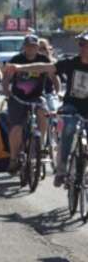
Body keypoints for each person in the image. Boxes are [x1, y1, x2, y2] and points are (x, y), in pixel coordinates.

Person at [2, 34, 57, 175]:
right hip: (18, 98)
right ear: (24, 47)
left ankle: (40, 143)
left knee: (43, 114)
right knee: (17, 128)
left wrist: (57, 89)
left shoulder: (43, 59)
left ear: (38, 47)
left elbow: (53, 75)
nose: (31, 49)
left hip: (37, 97)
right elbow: (6, 78)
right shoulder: (16, 60)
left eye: (33, 46)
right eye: (28, 46)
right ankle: (14, 158)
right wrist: (6, 92)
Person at [55, 32, 88, 187]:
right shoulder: (71, 63)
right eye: (82, 44)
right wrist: (18, 67)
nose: (84, 48)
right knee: (68, 128)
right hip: (72, 107)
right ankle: (61, 170)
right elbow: (47, 67)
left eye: (86, 45)